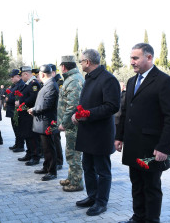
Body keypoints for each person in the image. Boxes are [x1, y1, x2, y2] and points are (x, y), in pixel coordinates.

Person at [115, 43, 170, 223]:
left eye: (135, 58)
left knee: (151, 187)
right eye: (131, 58)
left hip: (152, 148)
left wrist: (164, 148)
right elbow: (126, 111)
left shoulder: (164, 81)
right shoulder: (131, 81)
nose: (132, 62)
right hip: (133, 144)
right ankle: (138, 216)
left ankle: (151, 220)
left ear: (149, 57)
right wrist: (119, 136)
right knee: (136, 184)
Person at [72, 49, 120, 216]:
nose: (80, 64)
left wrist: (87, 114)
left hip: (100, 134)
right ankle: (92, 196)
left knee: (102, 170)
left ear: (87, 62)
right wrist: (77, 114)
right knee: (88, 167)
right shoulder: (90, 78)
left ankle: (101, 202)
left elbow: (112, 106)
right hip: (88, 131)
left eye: (81, 61)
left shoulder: (108, 79)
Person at [57, 55, 85, 192]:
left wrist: (64, 123)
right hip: (72, 125)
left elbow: (72, 106)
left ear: (63, 66)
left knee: (73, 154)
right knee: (70, 152)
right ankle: (71, 177)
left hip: (73, 125)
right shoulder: (72, 78)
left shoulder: (74, 80)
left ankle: (77, 182)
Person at [28, 65, 59, 181]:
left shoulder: (51, 85)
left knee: (49, 148)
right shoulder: (48, 84)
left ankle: (52, 171)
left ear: (42, 75)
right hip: (43, 121)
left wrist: (34, 110)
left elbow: (47, 104)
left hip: (47, 122)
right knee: (45, 148)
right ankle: (46, 167)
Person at [16, 66, 41, 165]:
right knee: (27, 135)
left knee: (32, 136)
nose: (21, 78)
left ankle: (35, 156)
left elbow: (34, 98)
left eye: (22, 75)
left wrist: (22, 104)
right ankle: (29, 153)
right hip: (25, 114)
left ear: (26, 74)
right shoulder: (28, 84)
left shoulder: (34, 83)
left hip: (30, 114)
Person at [6, 69, 25, 150]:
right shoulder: (15, 84)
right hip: (12, 110)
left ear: (18, 76)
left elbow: (18, 97)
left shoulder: (21, 84)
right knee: (15, 128)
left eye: (12, 77)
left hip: (16, 110)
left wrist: (8, 99)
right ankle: (17, 143)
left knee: (18, 128)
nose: (11, 78)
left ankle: (20, 145)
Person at [49, 64, 64, 170]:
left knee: (56, 138)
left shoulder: (59, 83)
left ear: (53, 73)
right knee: (52, 138)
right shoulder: (53, 82)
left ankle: (59, 160)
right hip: (52, 114)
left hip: (56, 115)